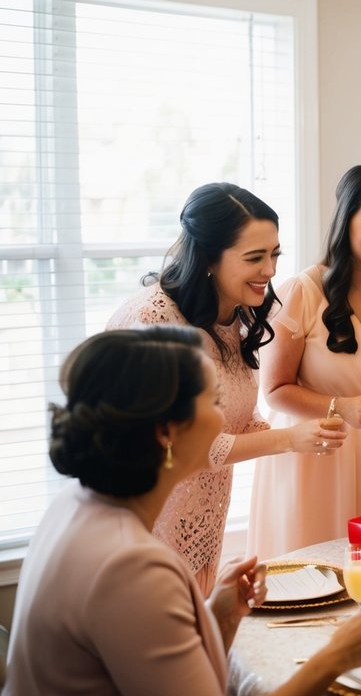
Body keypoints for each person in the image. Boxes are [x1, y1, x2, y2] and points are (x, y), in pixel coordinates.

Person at [0, 327, 361, 696]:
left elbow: (166, 687)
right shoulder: (129, 566)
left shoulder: (73, 505)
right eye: (214, 403)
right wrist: (333, 660)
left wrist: (219, 617)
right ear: (166, 432)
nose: (223, 418)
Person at [107, 183, 345, 594]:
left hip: (201, 524)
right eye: (255, 258)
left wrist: (303, 438)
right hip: (145, 529)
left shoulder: (235, 314)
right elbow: (178, 446)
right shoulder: (152, 320)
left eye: (274, 255)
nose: (270, 271)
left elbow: (235, 419)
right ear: (208, 260)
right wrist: (287, 438)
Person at [248, 163, 361, 557]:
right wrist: (341, 408)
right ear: (346, 222)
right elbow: (275, 390)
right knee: (307, 579)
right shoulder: (301, 292)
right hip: (312, 455)